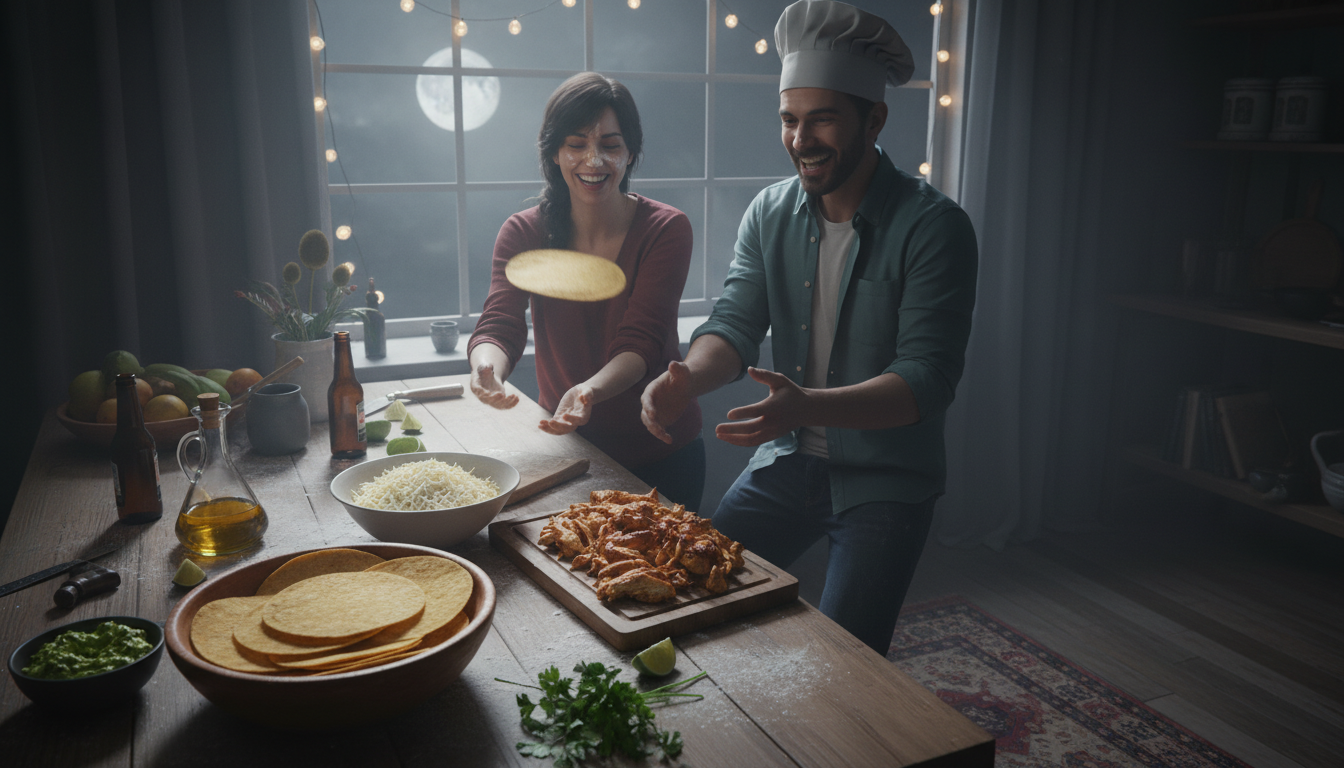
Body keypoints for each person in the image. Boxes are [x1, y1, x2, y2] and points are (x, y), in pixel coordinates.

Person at [640, 0, 978, 655]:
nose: (800, 138)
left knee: (846, 661)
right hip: (787, 465)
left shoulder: (936, 227)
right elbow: (735, 322)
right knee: (690, 599)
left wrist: (805, 407)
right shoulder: (769, 212)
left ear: (873, 118)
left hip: (887, 481)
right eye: (790, 120)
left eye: (821, 118)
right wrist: (689, 378)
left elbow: (926, 380)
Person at [468, 72, 705, 511]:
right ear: (554, 153)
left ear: (630, 152)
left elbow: (643, 341)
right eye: (576, 144)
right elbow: (500, 323)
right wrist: (486, 367)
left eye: (610, 145)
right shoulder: (523, 232)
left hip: (661, 457)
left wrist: (589, 390)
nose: (593, 160)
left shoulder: (666, 229)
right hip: (566, 452)